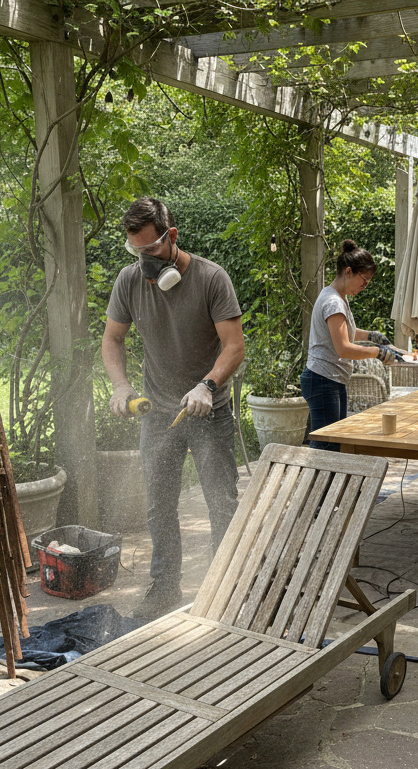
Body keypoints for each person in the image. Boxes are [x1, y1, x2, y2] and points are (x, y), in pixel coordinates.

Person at [101, 197, 244, 619]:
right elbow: (112, 339)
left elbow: (234, 347)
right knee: (159, 506)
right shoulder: (129, 282)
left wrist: (207, 385)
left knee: (222, 504)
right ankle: (164, 590)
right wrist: (121, 385)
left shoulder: (211, 278)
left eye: (151, 249)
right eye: (136, 251)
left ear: (172, 236)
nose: (144, 261)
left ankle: (223, 590)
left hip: (208, 413)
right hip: (157, 416)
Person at [302, 239, 401, 451]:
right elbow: (343, 348)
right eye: (363, 280)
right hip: (322, 379)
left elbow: (343, 332)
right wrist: (377, 352)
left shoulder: (338, 297)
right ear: (348, 272)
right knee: (326, 446)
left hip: (331, 379)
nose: (365, 287)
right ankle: (314, 475)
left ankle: (322, 474)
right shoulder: (333, 302)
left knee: (334, 443)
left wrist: (372, 336)